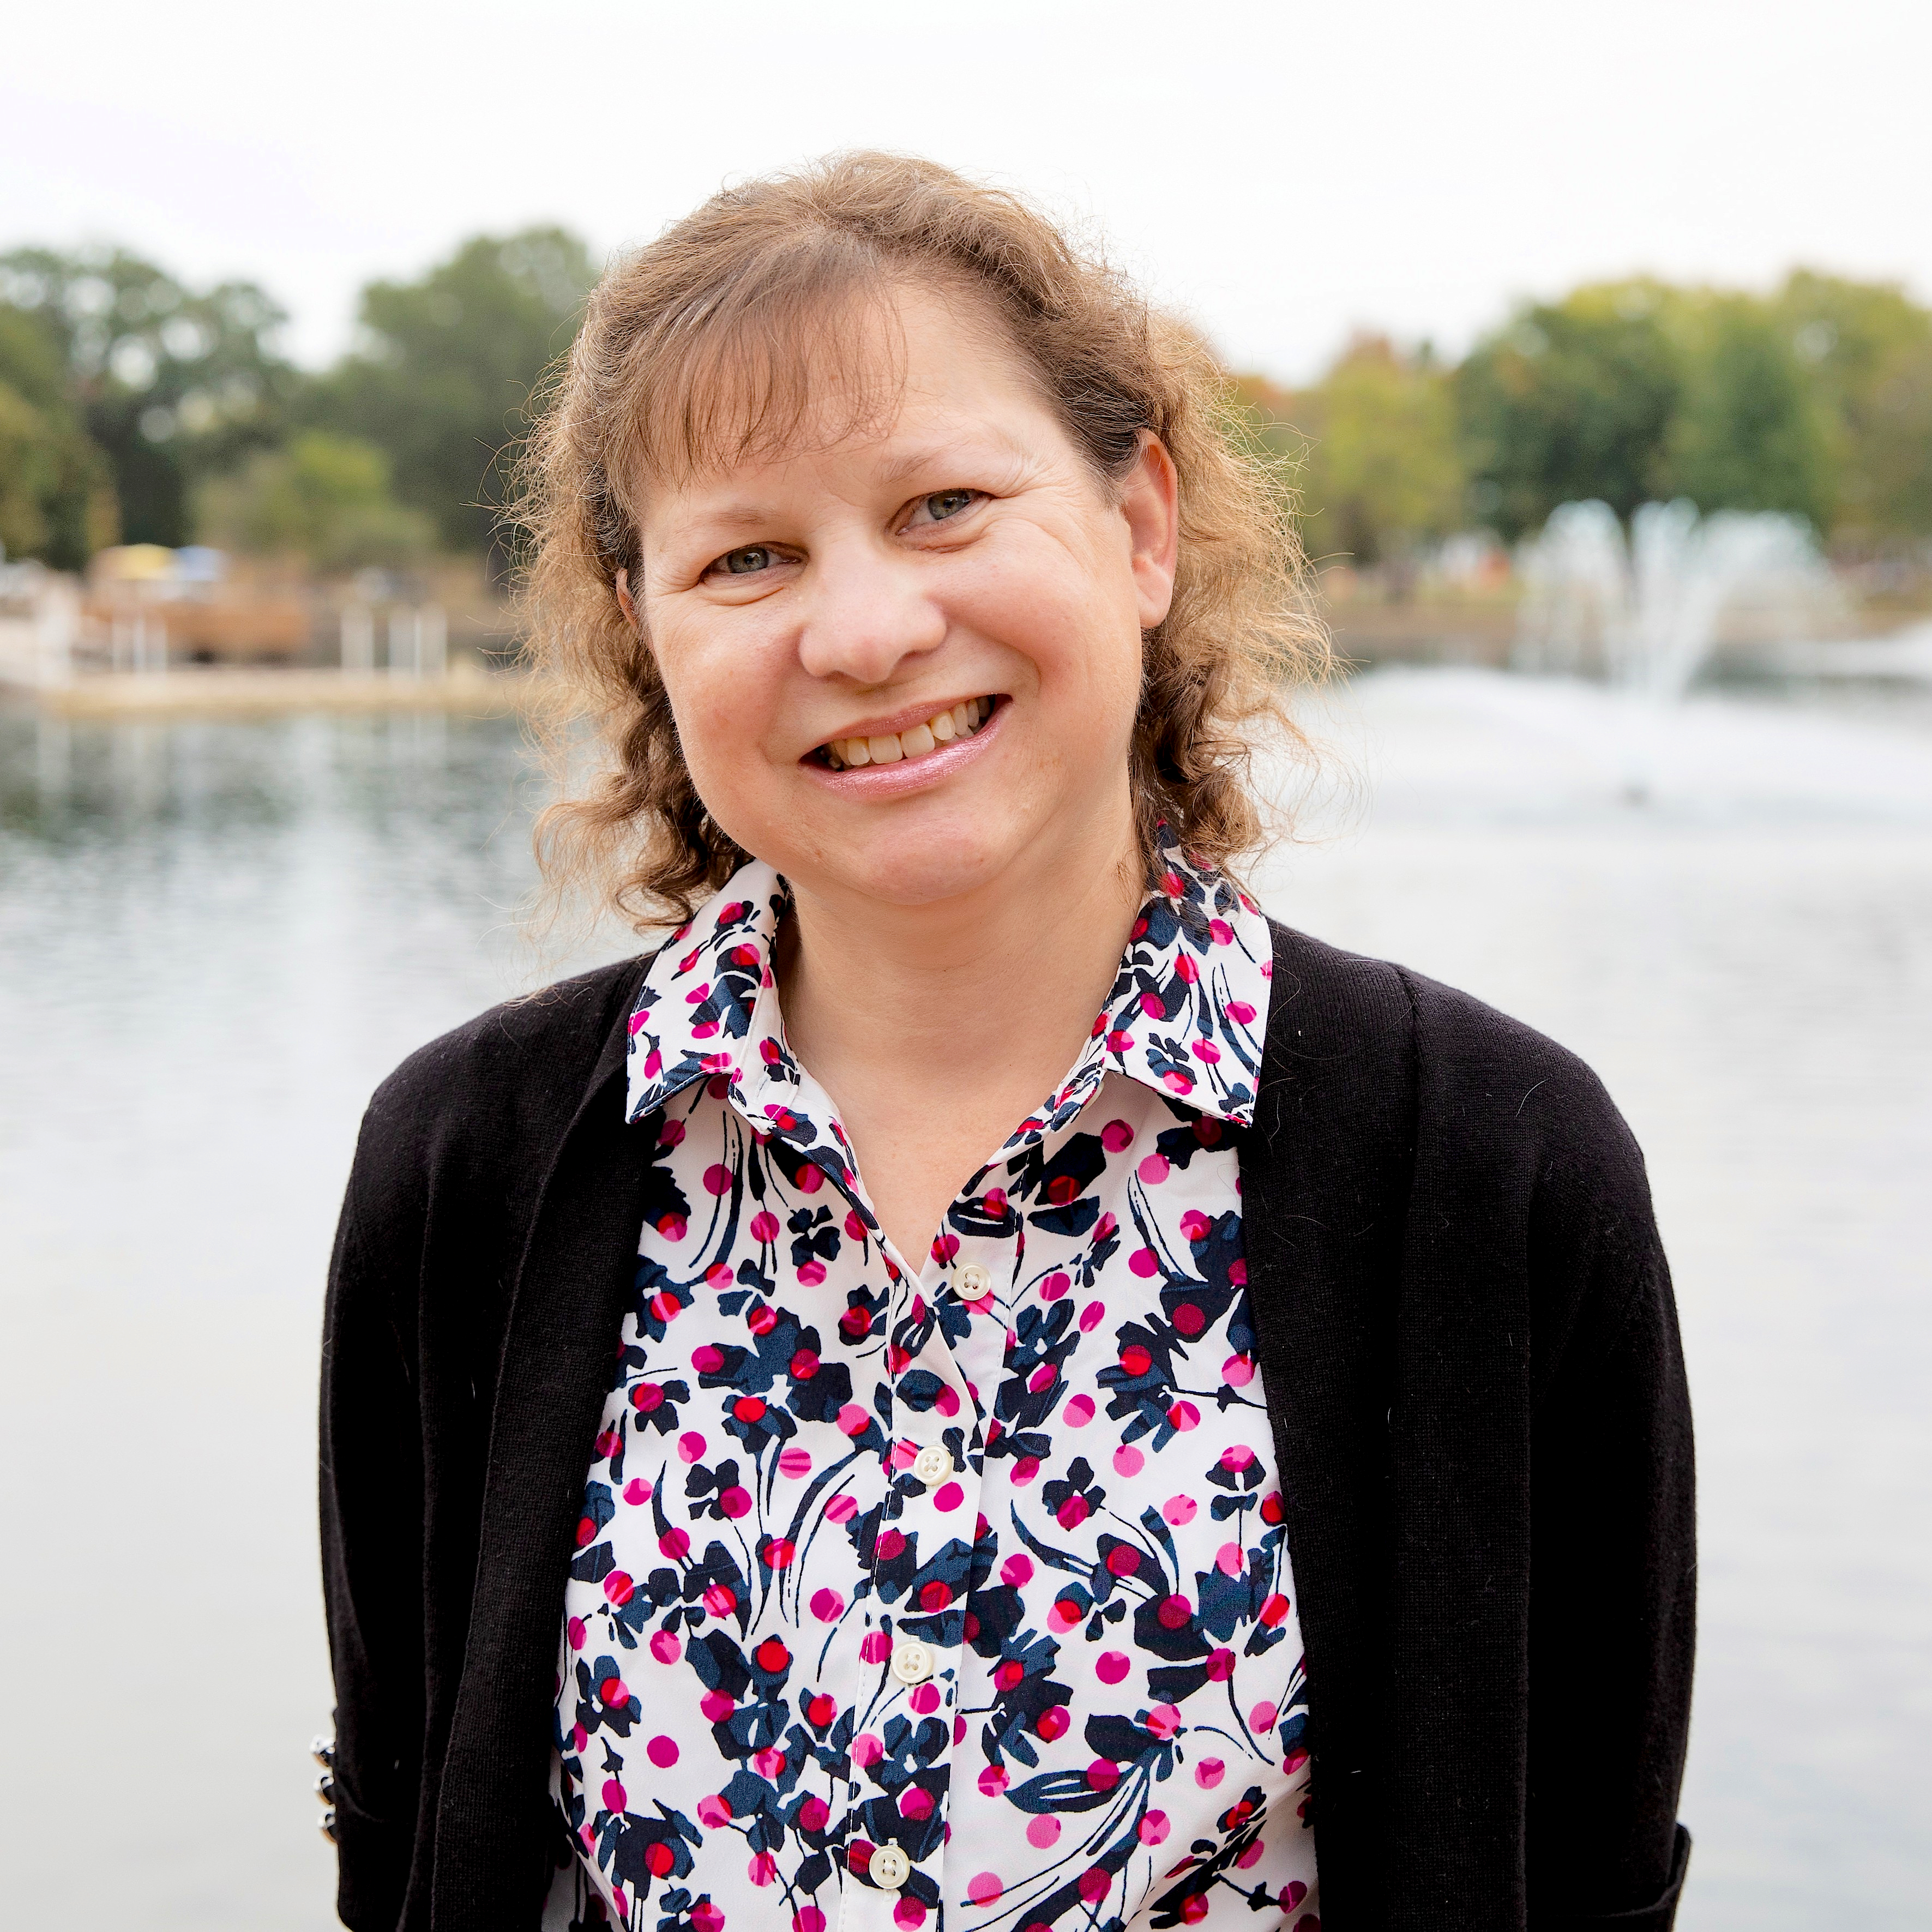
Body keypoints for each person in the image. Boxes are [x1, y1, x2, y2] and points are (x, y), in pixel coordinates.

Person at [317, 153, 1694, 1932]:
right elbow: (406, 1852)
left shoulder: (1497, 1164)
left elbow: (1585, 1875)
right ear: (648, 628)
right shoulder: (465, 1170)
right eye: (746, 556)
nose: (866, 630)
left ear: (1141, 529)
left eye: (946, 505)